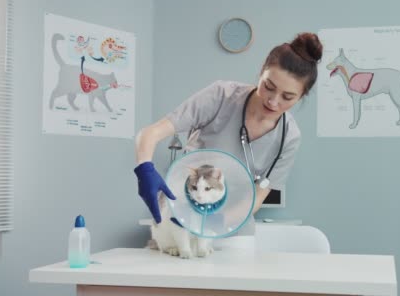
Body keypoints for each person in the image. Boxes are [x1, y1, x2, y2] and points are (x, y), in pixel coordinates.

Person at [134, 32, 323, 232]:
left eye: (287, 97)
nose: (273, 101)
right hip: (182, 212)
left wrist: (216, 222)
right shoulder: (221, 96)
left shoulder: (289, 137)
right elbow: (150, 133)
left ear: (302, 96)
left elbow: (258, 195)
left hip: (233, 226)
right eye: (268, 86)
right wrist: (144, 169)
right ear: (261, 73)